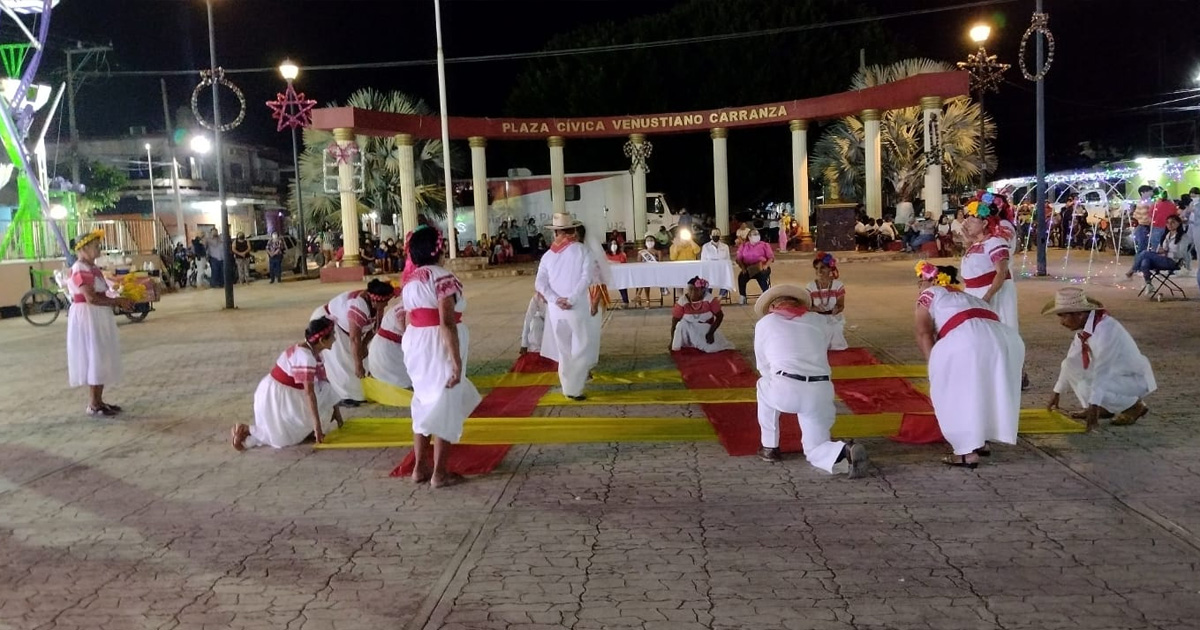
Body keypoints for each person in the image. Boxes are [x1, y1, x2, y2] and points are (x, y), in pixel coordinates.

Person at [913, 262, 1024, 468]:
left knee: (956, 393)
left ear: (928, 281)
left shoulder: (929, 295)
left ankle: (965, 451)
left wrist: (934, 368)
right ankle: (982, 441)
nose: (918, 287)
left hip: (968, 339)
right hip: (1007, 340)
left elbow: (923, 333)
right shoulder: (969, 297)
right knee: (987, 388)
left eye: (919, 282)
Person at [753, 284, 869, 478]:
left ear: (773, 305)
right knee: (815, 449)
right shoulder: (818, 320)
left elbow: (762, 365)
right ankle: (844, 451)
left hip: (786, 389)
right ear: (800, 303)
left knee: (763, 385)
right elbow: (833, 344)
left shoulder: (765, 323)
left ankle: (769, 447)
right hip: (821, 390)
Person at [401, 226, 482, 487]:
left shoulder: (411, 280)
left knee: (423, 400)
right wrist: (456, 362)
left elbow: (407, 318)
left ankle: (419, 467)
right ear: (438, 249)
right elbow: (446, 323)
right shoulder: (442, 277)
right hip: (438, 343)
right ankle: (440, 472)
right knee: (445, 400)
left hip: (416, 342)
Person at [1044, 287, 1156, 430]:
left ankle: (1134, 405)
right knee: (1071, 367)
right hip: (1113, 374)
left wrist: (1094, 405)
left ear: (1079, 315)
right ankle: (1104, 408)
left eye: (1064, 316)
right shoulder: (1087, 327)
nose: (1062, 322)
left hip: (1131, 378)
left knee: (1091, 386)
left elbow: (1102, 370)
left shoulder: (1106, 330)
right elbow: (1071, 360)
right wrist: (1057, 392)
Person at [232, 317, 343, 450]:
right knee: (283, 438)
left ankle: (304, 431)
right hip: (277, 396)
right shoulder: (307, 359)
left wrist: (336, 411)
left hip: (277, 391)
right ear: (322, 340)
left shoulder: (309, 351)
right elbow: (309, 393)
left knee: (324, 391)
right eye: (332, 336)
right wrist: (317, 426)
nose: (335, 339)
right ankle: (247, 430)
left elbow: (326, 384)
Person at [66, 230, 134, 417]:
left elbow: (100, 293)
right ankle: (94, 404)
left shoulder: (91, 267)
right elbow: (91, 298)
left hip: (96, 316)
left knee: (100, 355)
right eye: (96, 246)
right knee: (95, 355)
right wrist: (117, 302)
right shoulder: (81, 268)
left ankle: (98, 401)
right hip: (89, 316)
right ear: (84, 249)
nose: (99, 249)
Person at [535, 213, 599, 401]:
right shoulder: (583, 251)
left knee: (563, 349)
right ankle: (574, 387)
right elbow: (586, 279)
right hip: (576, 307)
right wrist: (570, 299)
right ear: (572, 230)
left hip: (556, 310)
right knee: (582, 346)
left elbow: (540, 283)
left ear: (556, 233)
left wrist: (555, 299)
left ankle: (568, 386)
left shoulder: (547, 256)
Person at [311, 279, 396, 406]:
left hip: (347, 331)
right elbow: (354, 339)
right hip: (331, 325)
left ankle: (356, 393)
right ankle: (345, 396)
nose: (386, 305)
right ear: (375, 300)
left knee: (357, 359)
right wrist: (358, 365)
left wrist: (364, 345)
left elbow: (373, 329)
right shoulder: (358, 306)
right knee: (343, 362)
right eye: (385, 302)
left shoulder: (376, 305)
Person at [670, 276, 733, 352]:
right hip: (687, 331)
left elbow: (720, 316)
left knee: (711, 350)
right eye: (690, 289)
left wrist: (711, 332)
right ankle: (680, 346)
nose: (693, 292)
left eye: (696, 290)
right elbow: (674, 322)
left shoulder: (709, 299)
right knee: (681, 325)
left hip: (705, 330)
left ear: (702, 291)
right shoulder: (682, 301)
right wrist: (672, 341)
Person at [1124, 214, 1187, 287]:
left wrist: (1167, 251)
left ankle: (1133, 270)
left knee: (1145, 253)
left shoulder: (1183, 237)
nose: (1169, 225)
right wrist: (1160, 251)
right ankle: (1148, 284)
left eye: (1173, 222)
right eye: (1167, 223)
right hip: (1163, 259)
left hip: (1173, 261)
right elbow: (1161, 249)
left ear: (1178, 223)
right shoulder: (1166, 235)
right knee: (1146, 260)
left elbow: (1182, 253)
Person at [367, 294, 411, 389]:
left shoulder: (407, 306)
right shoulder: (403, 309)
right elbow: (408, 334)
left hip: (391, 347)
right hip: (387, 350)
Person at [807, 252, 848, 351]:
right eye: (817, 268)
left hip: (834, 318)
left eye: (823, 268)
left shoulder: (838, 285)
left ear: (830, 269)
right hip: (817, 318)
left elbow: (841, 305)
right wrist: (814, 308)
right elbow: (807, 306)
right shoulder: (810, 286)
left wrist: (836, 308)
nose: (819, 271)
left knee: (835, 330)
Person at [735, 228, 773, 304]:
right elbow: (738, 259)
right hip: (748, 268)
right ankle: (743, 296)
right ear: (749, 237)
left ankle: (766, 295)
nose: (756, 236)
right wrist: (743, 267)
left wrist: (766, 265)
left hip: (762, 267)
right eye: (754, 235)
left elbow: (771, 257)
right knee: (741, 277)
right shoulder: (744, 246)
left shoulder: (764, 245)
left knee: (761, 275)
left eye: (757, 234)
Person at [633, 234, 662, 307]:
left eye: (651, 240)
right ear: (645, 243)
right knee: (645, 278)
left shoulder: (658, 252)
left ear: (654, 242)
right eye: (648, 240)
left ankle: (639, 295)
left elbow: (661, 264)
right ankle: (647, 300)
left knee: (644, 279)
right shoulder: (641, 252)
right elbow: (638, 264)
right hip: (644, 272)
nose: (650, 242)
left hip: (655, 273)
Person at [604, 240, 630, 306]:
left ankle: (625, 300)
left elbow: (622, 263)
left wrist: (610, 262)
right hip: (609, 274)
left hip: (620, 275)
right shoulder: (606, 254)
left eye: (615, 243)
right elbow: (603, 262)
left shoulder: (622, 254)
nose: (614, 245)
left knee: (622, 286)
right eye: (612, 244)